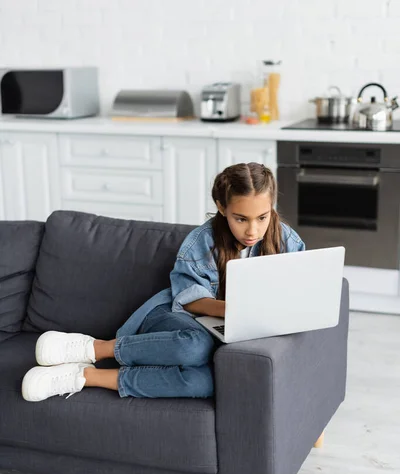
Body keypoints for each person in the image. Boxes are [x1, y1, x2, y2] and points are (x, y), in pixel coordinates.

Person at [22, 162, 305, 403]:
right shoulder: (202, 241)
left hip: (227, 331)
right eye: (241, 219)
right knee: (194, 347)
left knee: (206, 383)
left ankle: (84, 376)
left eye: (262, 217)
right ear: (221, 207)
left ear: (272, 208)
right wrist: (234, 310)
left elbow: (302, 282)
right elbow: (191, 299)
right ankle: (94, 349)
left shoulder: (285, 239)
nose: (252, 230)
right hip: (176, 317)